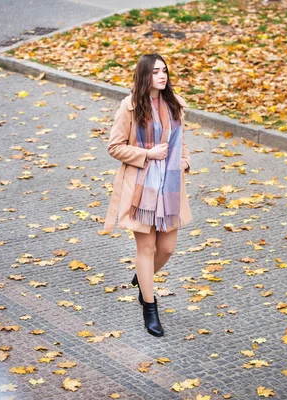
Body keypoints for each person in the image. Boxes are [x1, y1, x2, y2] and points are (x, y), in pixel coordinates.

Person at [104, 54, 192, 337]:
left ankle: (143, 279)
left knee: (166, 249)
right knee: (147, 249)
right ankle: (149, 306)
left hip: (169, 187)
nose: (162, 76)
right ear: (144, 76)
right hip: (140, 188)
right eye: (155, 72)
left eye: (164, 71)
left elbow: (182, 142)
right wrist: (147, 154)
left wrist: (185, 163)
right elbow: (115, 146)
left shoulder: (174, 105)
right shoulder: (129, 107)